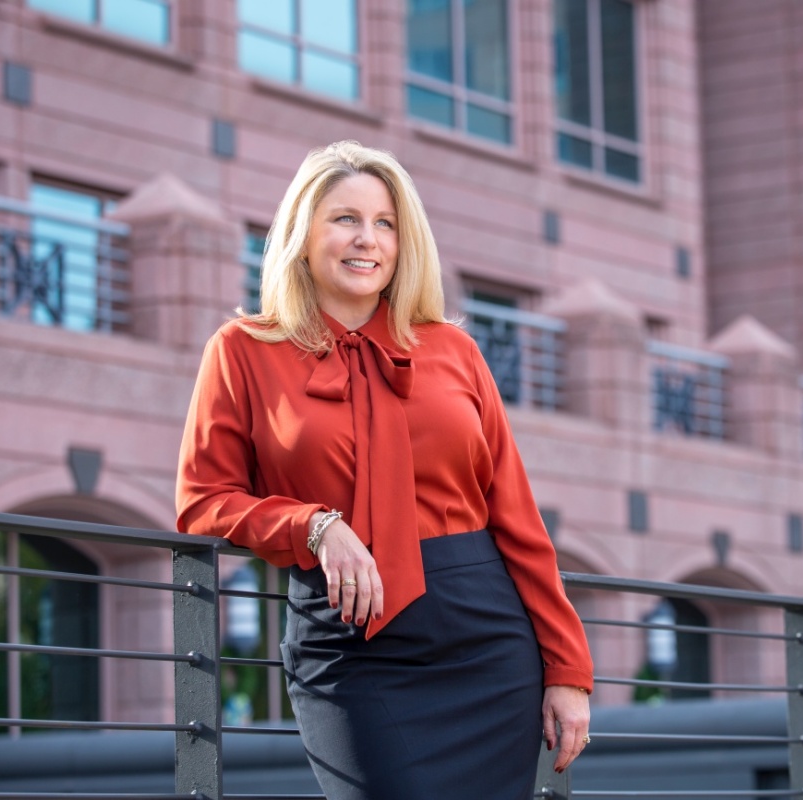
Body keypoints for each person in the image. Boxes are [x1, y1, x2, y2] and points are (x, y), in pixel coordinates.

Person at [176, 140, 592, 799]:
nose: (367, 239)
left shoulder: (455, 350)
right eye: (345, 218)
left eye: (386, 223)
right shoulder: (242, 352)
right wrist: (312, 527)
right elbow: (203, 500)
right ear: (302, 234)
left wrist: (568, 667)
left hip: (484, 639)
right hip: (348, 645)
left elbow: (516, 516)